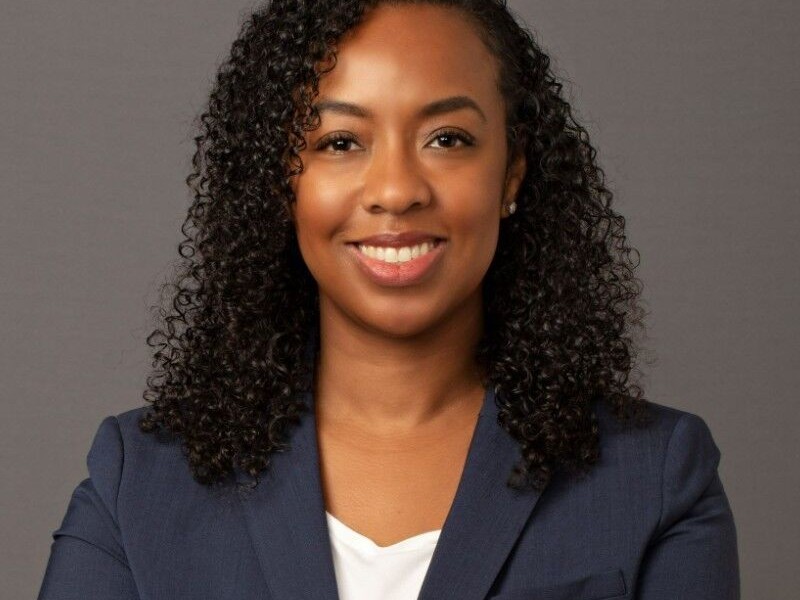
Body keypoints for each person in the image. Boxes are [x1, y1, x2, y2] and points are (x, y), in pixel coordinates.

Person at [37, 1, 740, 599]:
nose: (397, 188)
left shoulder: (656, 476)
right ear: (279, 183)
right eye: (341, 141)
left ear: (512, 172)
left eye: (448, 138)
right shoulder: (138, 482)